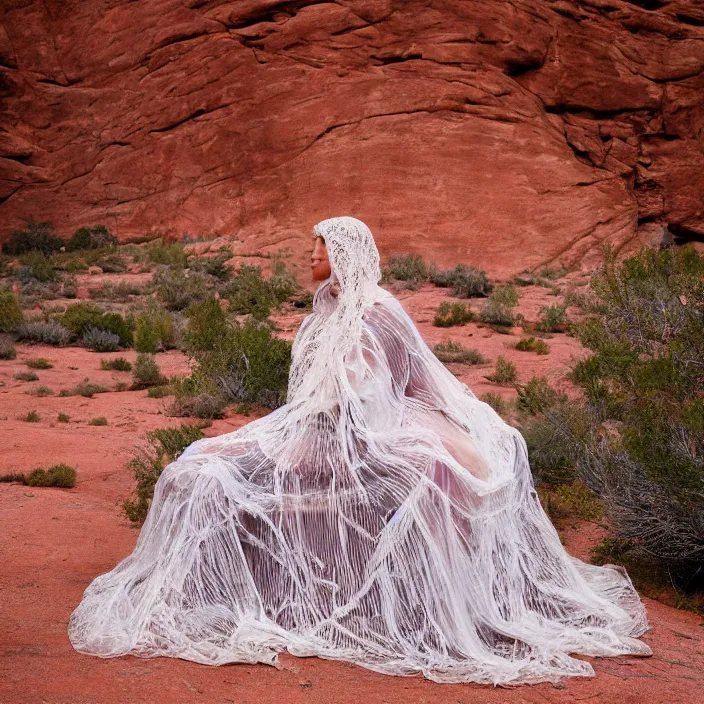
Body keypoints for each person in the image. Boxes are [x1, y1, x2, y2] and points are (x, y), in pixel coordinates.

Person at [68, 216, 652, 685]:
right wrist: (291, 429)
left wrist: (323, 420)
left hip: (368, 435)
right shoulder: (321, 314)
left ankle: (373, 604)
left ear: (344, 252)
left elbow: (374, 393)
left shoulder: (378, 311)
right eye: (312, 247)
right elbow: (306, 397)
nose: (310, 256)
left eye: (318, 247)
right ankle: (222, 593)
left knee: (232, 471)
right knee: (195, 465)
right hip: (317, 431)